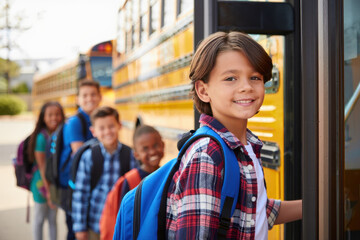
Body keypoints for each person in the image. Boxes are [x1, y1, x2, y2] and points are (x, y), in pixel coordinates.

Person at [165, 31, 302, 239]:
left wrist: (318, 205)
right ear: (203, 91)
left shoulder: (244, 146)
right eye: (231, 78)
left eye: (255, 77)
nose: (246, 87)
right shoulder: (208, 155)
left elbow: (252, 210)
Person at [71, 106, 138, 240]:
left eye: (111, 126)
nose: (107, 131)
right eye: (101, 128)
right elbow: (81, 194)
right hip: (95, 225)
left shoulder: (130, 155)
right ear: (93, 131)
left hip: (120, 224)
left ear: (119, 126)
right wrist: (80, 228)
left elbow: (135, 189)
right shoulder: (89, 156)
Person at [100, 125, 165, 240]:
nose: (152, 151)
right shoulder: (130, 181)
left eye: (156, 145)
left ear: (163, 145)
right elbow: (125, 219)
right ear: (136, 154)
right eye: (145, 149)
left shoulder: (167, 174)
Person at [59, 80, 102, 240]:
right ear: (77, 99)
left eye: (93, 94)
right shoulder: (75, 122)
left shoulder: (98, 118)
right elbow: (79, 153)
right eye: (85, 95)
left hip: (90, 182)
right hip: (73, 184)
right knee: (75, 230)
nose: (89, 98)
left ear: (100, 97)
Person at [28, 101, 65, 240]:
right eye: (50, 115)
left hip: (53, 182)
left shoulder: (59, 134)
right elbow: (42, 166)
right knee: (39, 218)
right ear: (43, 117)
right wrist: (49, 192)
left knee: (52, 219)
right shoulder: (41, 138)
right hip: (40, 184)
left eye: (57, 114)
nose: (54, 118)